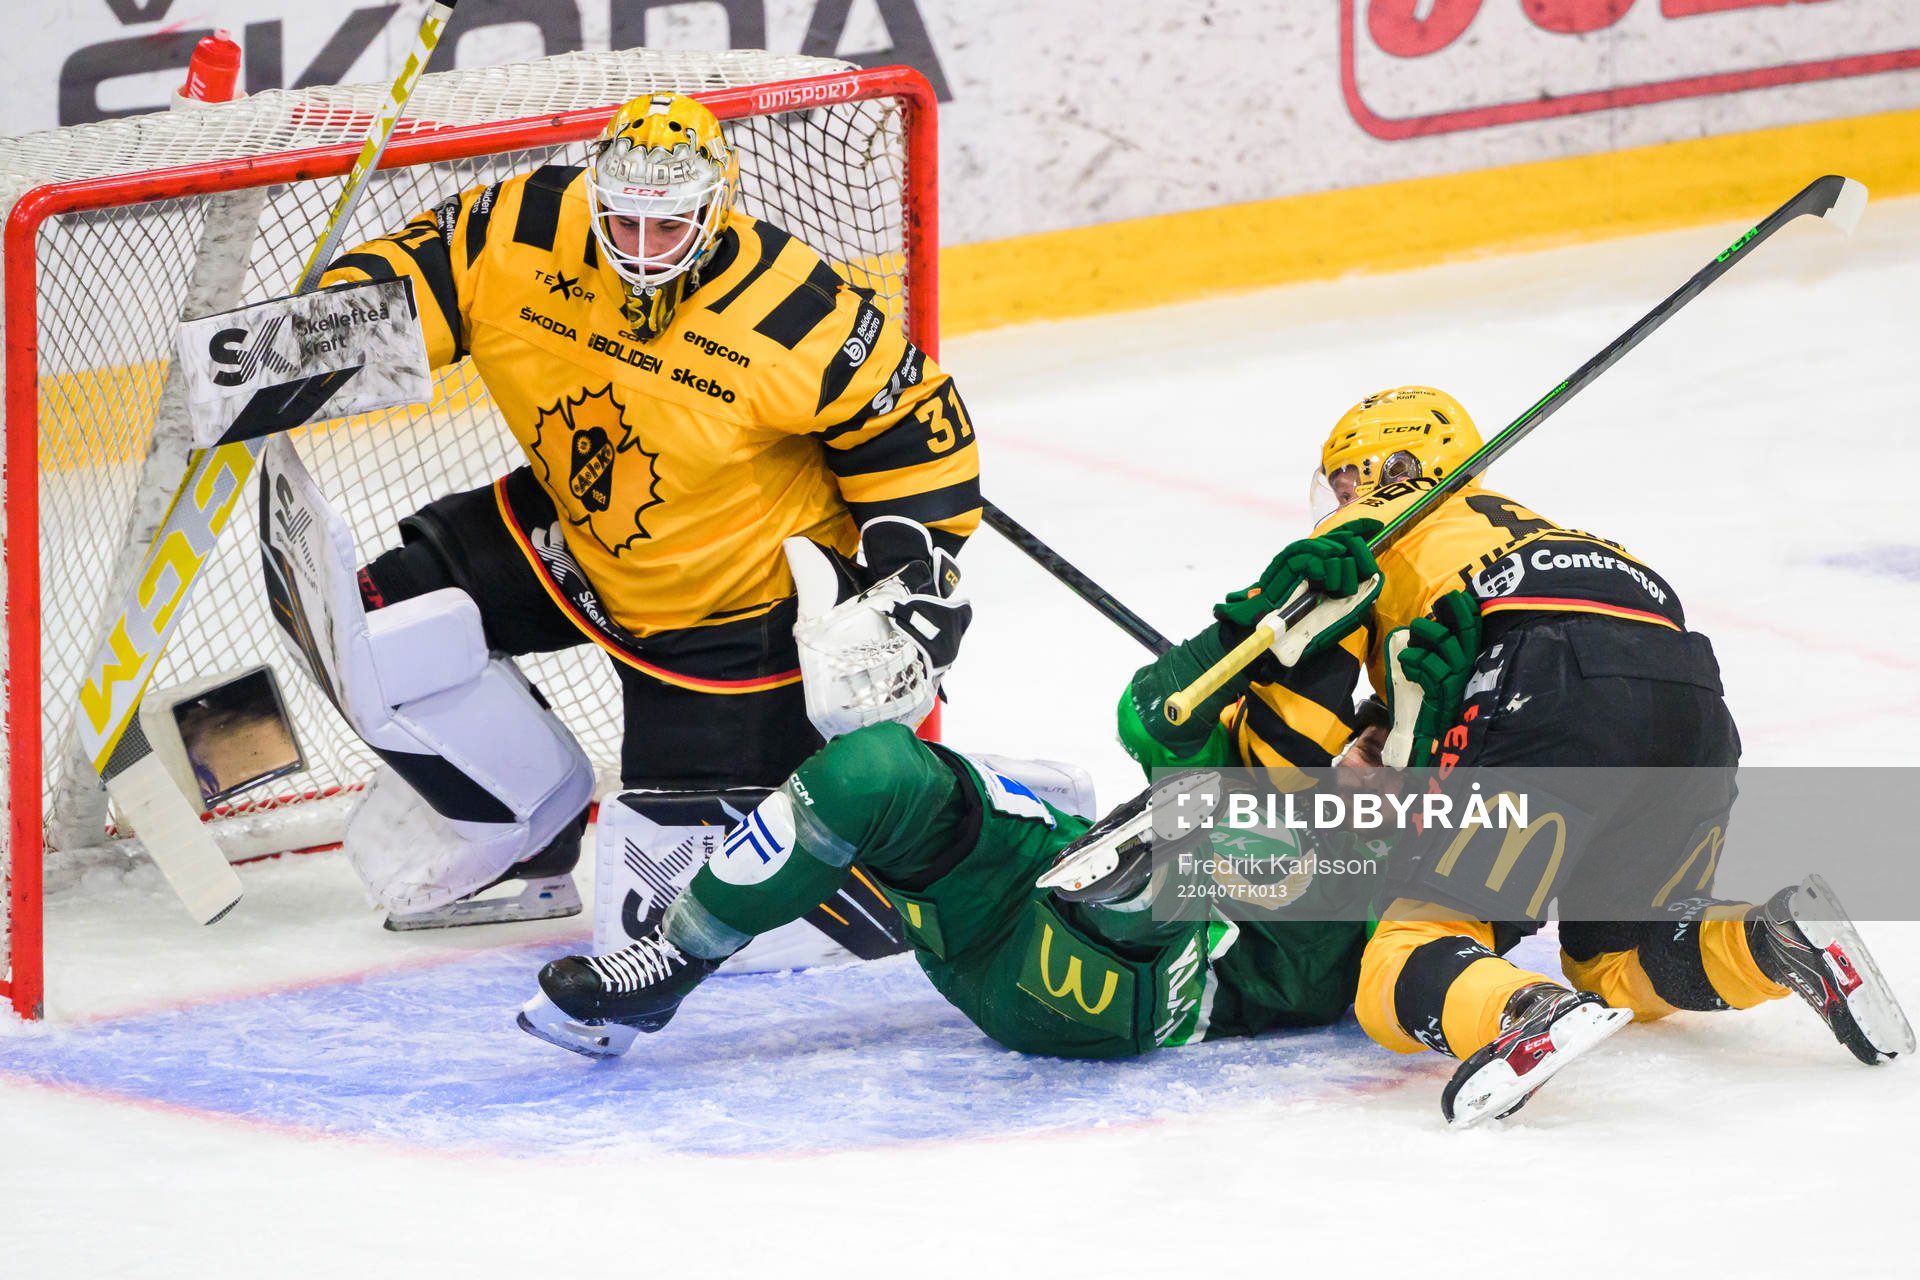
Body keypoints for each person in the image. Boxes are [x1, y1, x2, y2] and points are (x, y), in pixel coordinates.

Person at [1123, 385, 1914, 1125]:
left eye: (1342, 478)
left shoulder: (1363, 533)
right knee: (1620, 958)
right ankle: (1769, 940)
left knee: (1407, 951)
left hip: (1539, 685)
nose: (1336, 500)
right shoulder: (1564, 535)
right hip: (1690, 698)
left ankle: (1516, 1012)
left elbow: (1284, 763)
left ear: (1383, 468)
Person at [298, 92, 978, 929]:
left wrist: (907, 578)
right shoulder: (522, 226)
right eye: (625, 223)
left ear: (716, 205)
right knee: (384, 625)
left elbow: (915, 426)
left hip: (729, 615)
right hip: (572, 537)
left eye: (670, 227)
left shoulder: (795, 309)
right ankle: (530, 841)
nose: (644, 250)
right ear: (596, 195)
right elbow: (412, 277)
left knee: (690, 902)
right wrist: (313, 337)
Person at [516, 714, 1381, 1061]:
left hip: (1146, 985)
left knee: (1168, 860)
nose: (1359, 749)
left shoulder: (1445, 840)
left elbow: (1356, 970)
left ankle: (1131, 882)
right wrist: (1254, 622)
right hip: (1036, 879)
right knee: (874, 770)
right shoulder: (1318, 655)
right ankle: (671, 962)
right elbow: (1153, 714)